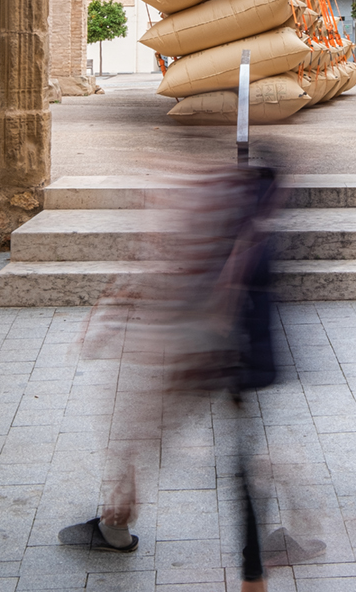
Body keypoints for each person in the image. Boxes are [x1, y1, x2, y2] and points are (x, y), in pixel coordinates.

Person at [59, 157, 283, 591]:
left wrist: (108, 318)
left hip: (176, 349)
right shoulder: (220, 189)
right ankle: (118, 521)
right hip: (210, 347)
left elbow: (156, 265)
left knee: (131, 436)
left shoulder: (187, 192)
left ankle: (116, 524)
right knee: (227, 449)